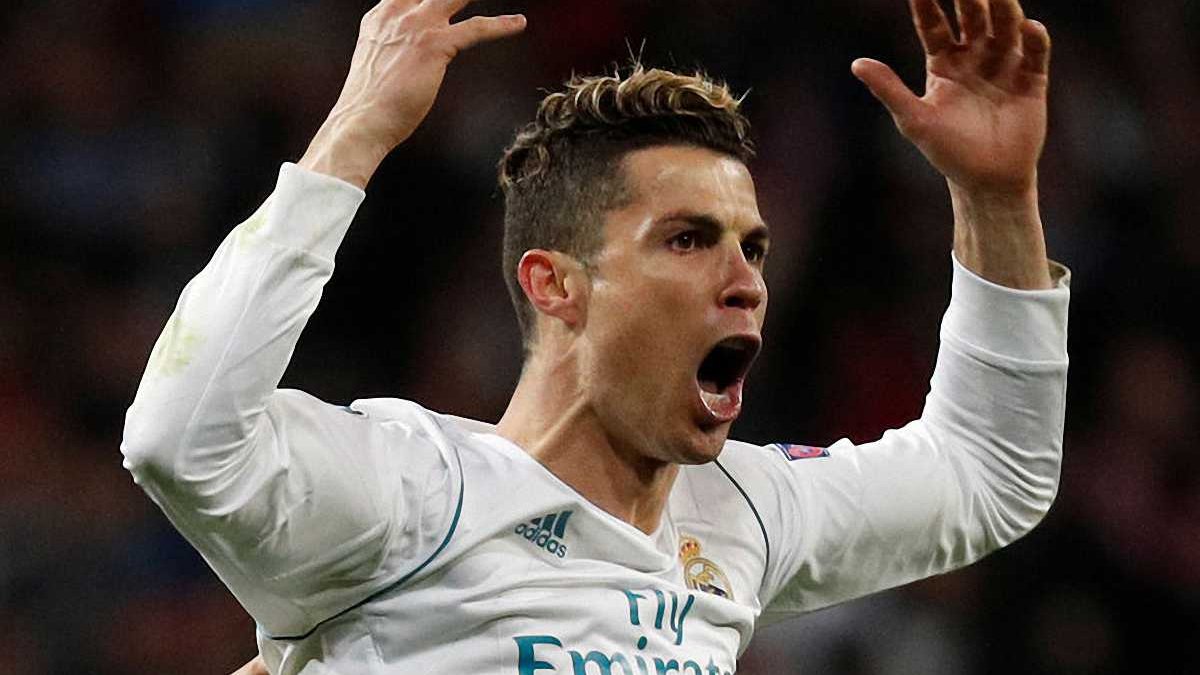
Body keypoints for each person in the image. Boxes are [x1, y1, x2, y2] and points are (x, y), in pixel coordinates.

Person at [121, 0, 1070, 673]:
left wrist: (995, 198)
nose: (746, 281)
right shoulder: (415, 495)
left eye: (752, 247)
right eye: (688, 240)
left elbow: (989, 471)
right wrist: (354, 134)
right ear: (557, 285)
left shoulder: (739, 513)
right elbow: (181, 439)